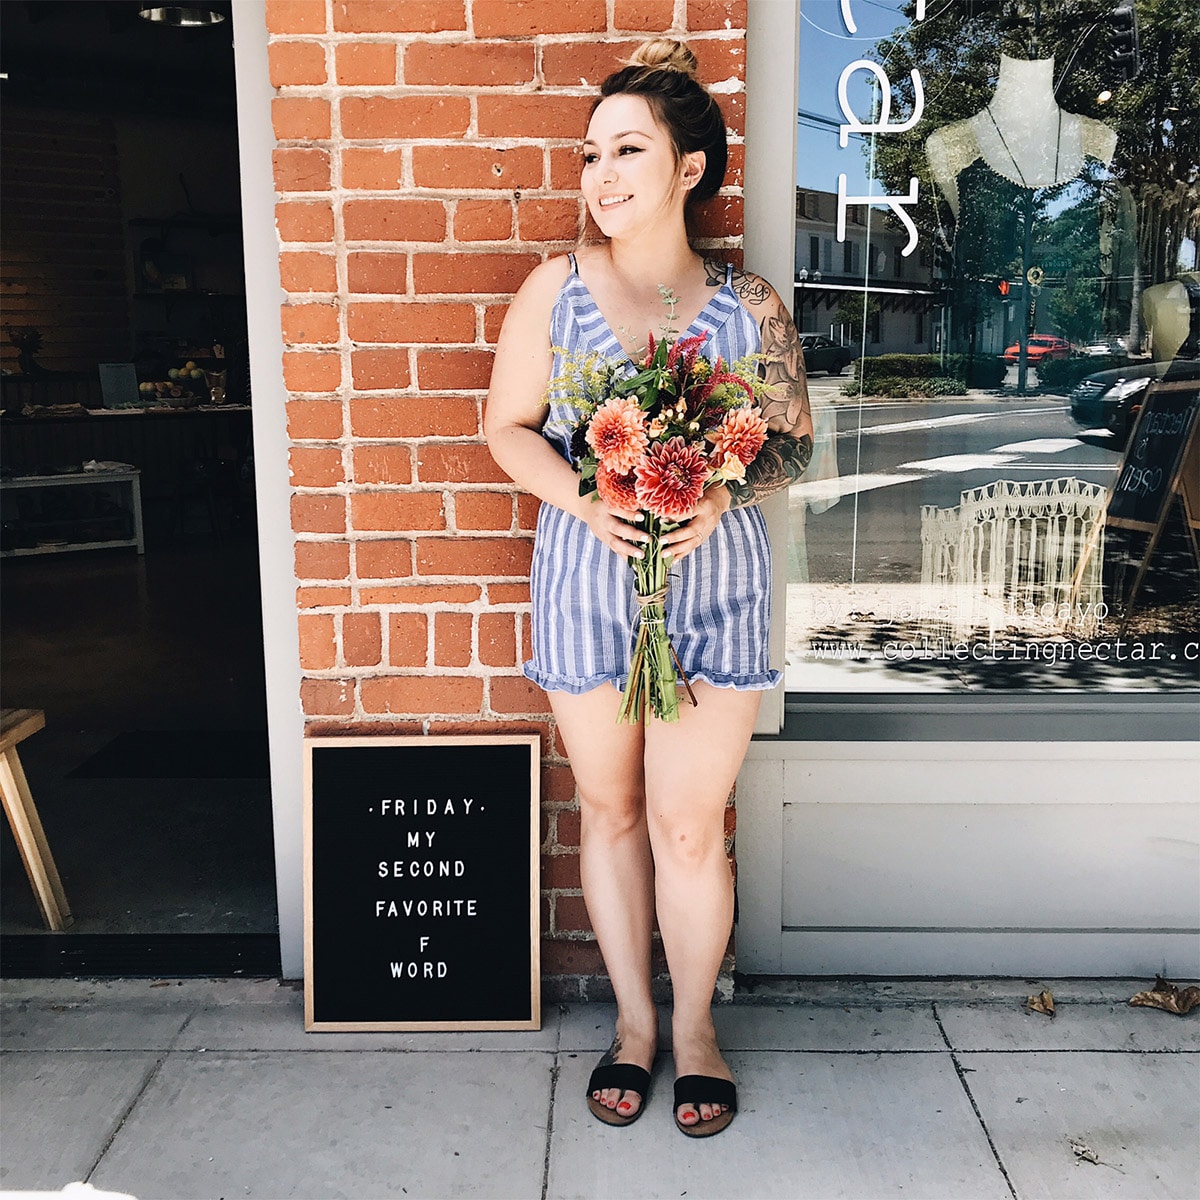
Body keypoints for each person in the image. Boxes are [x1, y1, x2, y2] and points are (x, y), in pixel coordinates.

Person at [484, 37, 814, 1138]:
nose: (601, 175)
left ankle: (696, 1034)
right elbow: (509, 430)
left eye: (628, 150)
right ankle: (633, 1024)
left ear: (690, 167)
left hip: (714, 588)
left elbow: (793, 443)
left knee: (686, 822)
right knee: (613, 808)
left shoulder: (748, 302)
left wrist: (725, 487)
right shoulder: (554, 289)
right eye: (590, 154)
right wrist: (587, 497)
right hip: (588, 578)